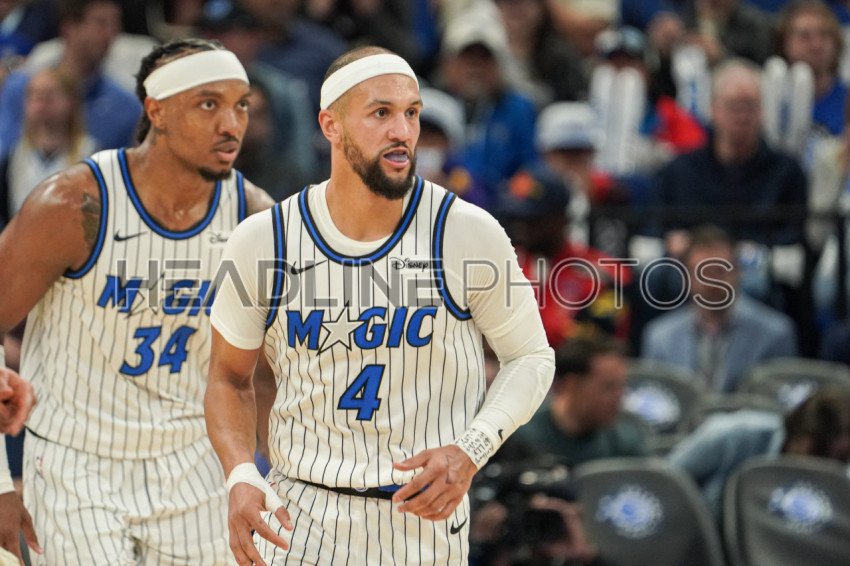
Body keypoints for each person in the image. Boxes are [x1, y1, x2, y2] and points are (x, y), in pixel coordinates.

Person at [205, 45, 555, 565]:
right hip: (300, 516)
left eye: (411, 113)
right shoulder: (265, 239)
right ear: (331, 125)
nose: (402, 131)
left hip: (425, 523)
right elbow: (228, 378)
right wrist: (239, 473)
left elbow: (531, 356)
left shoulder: (465, 231)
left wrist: (471, 450)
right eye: (381, 113)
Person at [0, 37, 274, 564]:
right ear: (157, 111)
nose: (231, 124)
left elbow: (265, 371)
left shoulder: (253, 217)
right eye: (209, 104)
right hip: (76, 465)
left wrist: (275, 474)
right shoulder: (75, 204)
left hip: (195, 466)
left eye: (241, 105)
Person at [642, 225, 798, 392]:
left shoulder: (775, 334)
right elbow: (655, 399)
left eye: (720, 272)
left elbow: (783, 397)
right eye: (703, 273)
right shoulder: (660, 338)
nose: (713, 283)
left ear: (738, 272)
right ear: (686, 278)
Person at [668, 387, 850, 515]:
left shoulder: (844, 479)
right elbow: (666, 483)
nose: (826, 467)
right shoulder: (734, 435)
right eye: (820, 452)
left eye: (841, 459)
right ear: (799, 438)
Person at [0, 0, 141, 156]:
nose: (110, 34)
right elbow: (5, 149)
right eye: (101, 23)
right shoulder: (20, 90)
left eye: (115, 24)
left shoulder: (126, 107)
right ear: (70, 28)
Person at [498, 335, 649, 469]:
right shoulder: (521, 440)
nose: (619, 397)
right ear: (570, 385)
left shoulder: (625, 442)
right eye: (608, 387)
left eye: (621, 387)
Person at [0, 67, 96, 226]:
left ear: (71, 101)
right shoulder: (14, 158)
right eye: (34, 95)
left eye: (49, 95)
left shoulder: (91, 155)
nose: (40, 103)